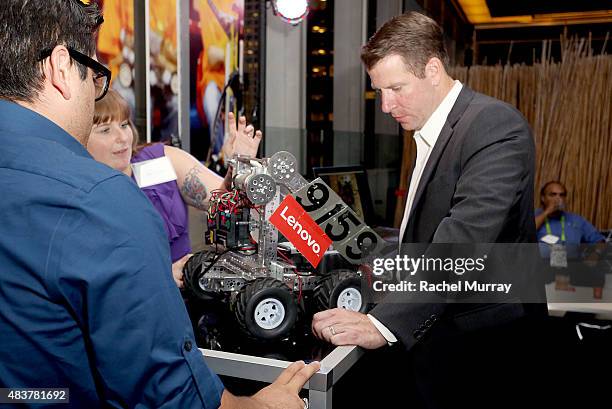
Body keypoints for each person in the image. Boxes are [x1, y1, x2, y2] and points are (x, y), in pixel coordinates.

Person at [0, 1, 318, 408]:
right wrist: (262, 405)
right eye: (94, 78)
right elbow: (168, 396)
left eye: (124, 125)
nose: (119, 138)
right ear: (62, 68)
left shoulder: (153, 165)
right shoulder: (100, 201)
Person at [312, 11, 544, 408]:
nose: (386, 105)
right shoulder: (429, 130)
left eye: (396, 88)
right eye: (379, 91)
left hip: (481, 354)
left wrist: (380, 324)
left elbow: (461, 244)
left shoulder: (494, 126)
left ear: (433, 69)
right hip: (438, 344)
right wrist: (314, 209)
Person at [87, 89, 261, 288]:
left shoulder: (161, 158)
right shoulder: (78, 195)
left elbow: (221, 201)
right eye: (105, 130)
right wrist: (159, 278)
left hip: (191, 300)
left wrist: (238, 167)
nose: (123, 137)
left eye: (124, 124)